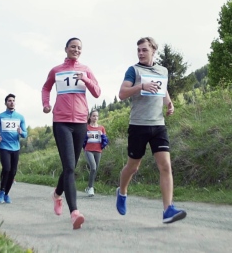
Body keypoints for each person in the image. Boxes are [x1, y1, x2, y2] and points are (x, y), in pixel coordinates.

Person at [115, 37, 187, 224]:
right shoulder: (134, 70)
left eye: (144, 50)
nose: (140, 53)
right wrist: (141, 86)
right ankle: (122, 192)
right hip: (138, 125)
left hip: (158, 125)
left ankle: (168, 210)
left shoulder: (162, 70)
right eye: (138, 50)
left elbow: (162, 90)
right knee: (133, 167)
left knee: (165, 166)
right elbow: (122, 94)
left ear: (153, 50)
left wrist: (169, 104)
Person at [42, 37, 101, 230]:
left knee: (72, 165)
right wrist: (46, 104)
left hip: (80, 123)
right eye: (73, 47)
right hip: (61, 121)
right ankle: (74, 212)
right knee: (69, 167)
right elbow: (46, 87)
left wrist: (85, 79)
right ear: (66, 48)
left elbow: (97, 92)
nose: (76, 50)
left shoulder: (86, 69)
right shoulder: (56, 70)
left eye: (79, 48)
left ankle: (57, 194)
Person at [0, 93, 27, 204]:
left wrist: (21, 132)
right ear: (6, 103)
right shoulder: (0, 116)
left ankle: (6, 194)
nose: (12, 102)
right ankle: (1, 192)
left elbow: (25, 134)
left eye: (13, 100)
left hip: (16, 147)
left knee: (13, 172)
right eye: (9, 100)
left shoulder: (20, 117)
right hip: (4, 146)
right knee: (6, 169)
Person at [82, 109, 108, 197]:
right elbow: (80, 139)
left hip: (98, 151)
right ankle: (91, 188)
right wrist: (86, 135)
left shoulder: (101, 128)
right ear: (90, 117)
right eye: (93, 116)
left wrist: (102, 135)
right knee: (93, 167)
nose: (95, 117)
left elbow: (105, 140)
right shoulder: (86, 127)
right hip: (88, 150)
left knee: (95, 169)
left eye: (97, 116)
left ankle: (89, 187)